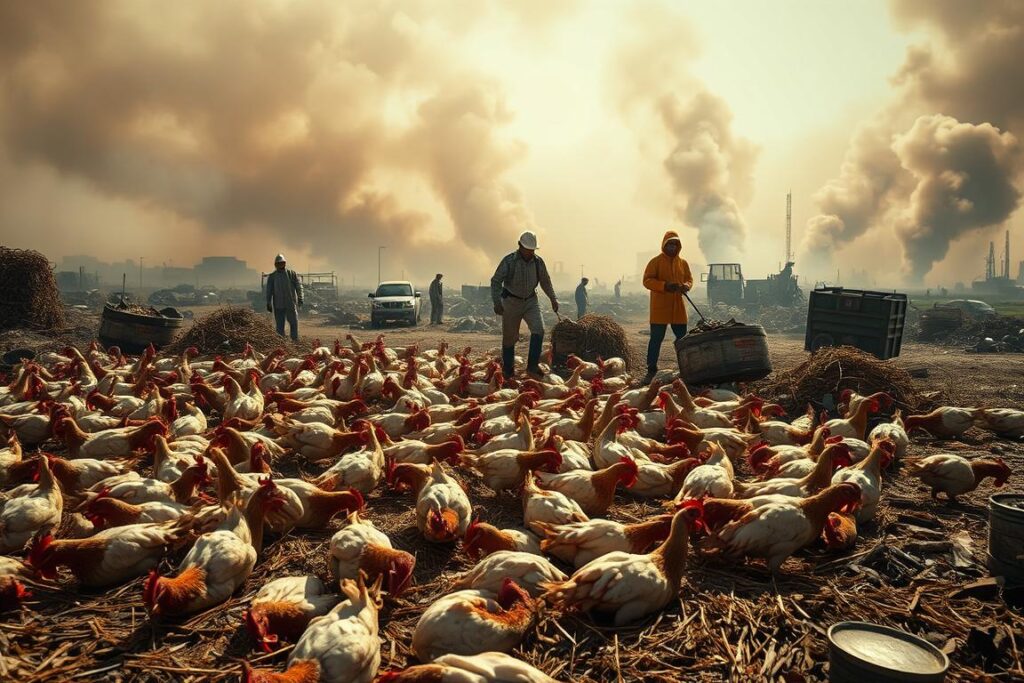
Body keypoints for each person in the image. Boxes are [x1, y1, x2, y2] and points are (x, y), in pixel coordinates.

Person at [490, 230, 559, 379]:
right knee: (509, 337)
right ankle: (508, 369)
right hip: (511, 302)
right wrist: (497, 302)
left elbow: (545, 281)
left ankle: (532, 367)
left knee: (539, 330)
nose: (530, 253)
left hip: (530, 301)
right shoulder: (509, 261)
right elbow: (495, 281)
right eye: (527, 249)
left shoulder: (538, 262)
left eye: (532, 250)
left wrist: (553, 299)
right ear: (519, 246)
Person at [641, 231, 693, 384]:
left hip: (678, 307)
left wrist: (686, 286)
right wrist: (664, 286)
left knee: (682, 339)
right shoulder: (655, 262)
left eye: (675, 244)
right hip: (660, 308)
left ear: (678, 246)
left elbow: (689, 279)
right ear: (664, 245)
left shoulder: (683, 263)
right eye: (670, 244)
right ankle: (651, 368)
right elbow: (647, 281)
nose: (672, 247)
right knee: (656, 338)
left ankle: (685, 366)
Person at [265, 253, 303, 341]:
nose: (280, 265)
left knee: (293, 323)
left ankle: (294, 341)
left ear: (285, 263)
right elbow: (269, 290)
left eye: (281, 263)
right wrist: (268, 302)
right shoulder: (272, 277)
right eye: (278, 263)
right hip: (278, 305)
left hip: (290, 304)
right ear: (275, 265)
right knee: (279, 326)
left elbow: (299, 286)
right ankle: (281, 343)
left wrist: (300, 298)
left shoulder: (291, 274)